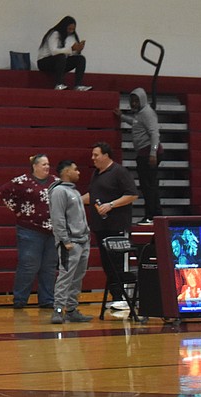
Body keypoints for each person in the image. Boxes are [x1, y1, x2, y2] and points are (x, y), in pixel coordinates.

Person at [84, 141, 139, 310]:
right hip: (100, 226)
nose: (93, 158)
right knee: (107, 263)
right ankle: (116, 296)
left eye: (96, 155)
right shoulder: (97, 174)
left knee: (117, 262)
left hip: (116, 226)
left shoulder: (119, 172)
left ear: (106, 155)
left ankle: (125, 297)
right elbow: (92, 196)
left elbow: (132, 194)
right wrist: (72, 200)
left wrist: (111, 205)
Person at [0, 154, 57, 309]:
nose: (46, 167)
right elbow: (4, 192)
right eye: (43, 164)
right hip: (30, 230)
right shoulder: (22, 181)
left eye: (48, 164)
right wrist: (17, 210)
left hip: (52, 231)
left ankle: (47, 300)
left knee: (49, 267)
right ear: (35, 166)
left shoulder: (55, 182)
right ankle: (20, 300)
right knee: (28, 265)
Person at [48, 160, 94, 324]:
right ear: (67, 172)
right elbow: (57, 218)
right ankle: (58, 310)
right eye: (75, 169)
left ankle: (72, 309)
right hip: (71, 242)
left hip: (82, 241)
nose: (78, 172)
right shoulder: (59, 191)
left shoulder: (73, 191)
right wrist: (65, 240)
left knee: (77, 277)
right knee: (65, 276)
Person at [117, 88, 161, 225]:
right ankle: (156, 215)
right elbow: (137, 125)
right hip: (144, 153)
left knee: (148, 186)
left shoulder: (147, 113)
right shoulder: (140, 114)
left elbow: (155, 133)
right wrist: (122, 117)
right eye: (132, 101)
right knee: (150, 185)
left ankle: (150, 216)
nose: (134, 104)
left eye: (136, 101)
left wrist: (153, 153)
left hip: (148, 153)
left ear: (142, 100)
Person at [36, 15, 91, 91]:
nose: (71, 31)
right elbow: (54, 51)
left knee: (81, 59)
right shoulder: (55, 33)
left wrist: (78, 50)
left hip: (60, 61)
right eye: (69, 29)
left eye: (73, 29)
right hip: (44, 62)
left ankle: (78, 85)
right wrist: (72, 49)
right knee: (61, 57)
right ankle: (59, 84)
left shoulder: (72, 36)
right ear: (64, 27)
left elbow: (69, 52)